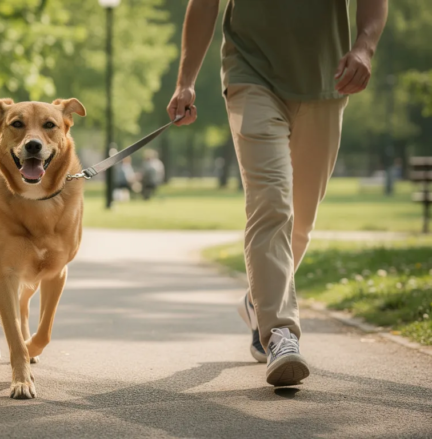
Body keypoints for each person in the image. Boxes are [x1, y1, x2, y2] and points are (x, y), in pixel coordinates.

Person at [167, 0, 387, 386]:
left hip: (327, 80)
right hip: (249, 74)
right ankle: (281, 335)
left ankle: (258, 302)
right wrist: (185, 81)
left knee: (300, 221)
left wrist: (364, 46)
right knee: (272, 204)